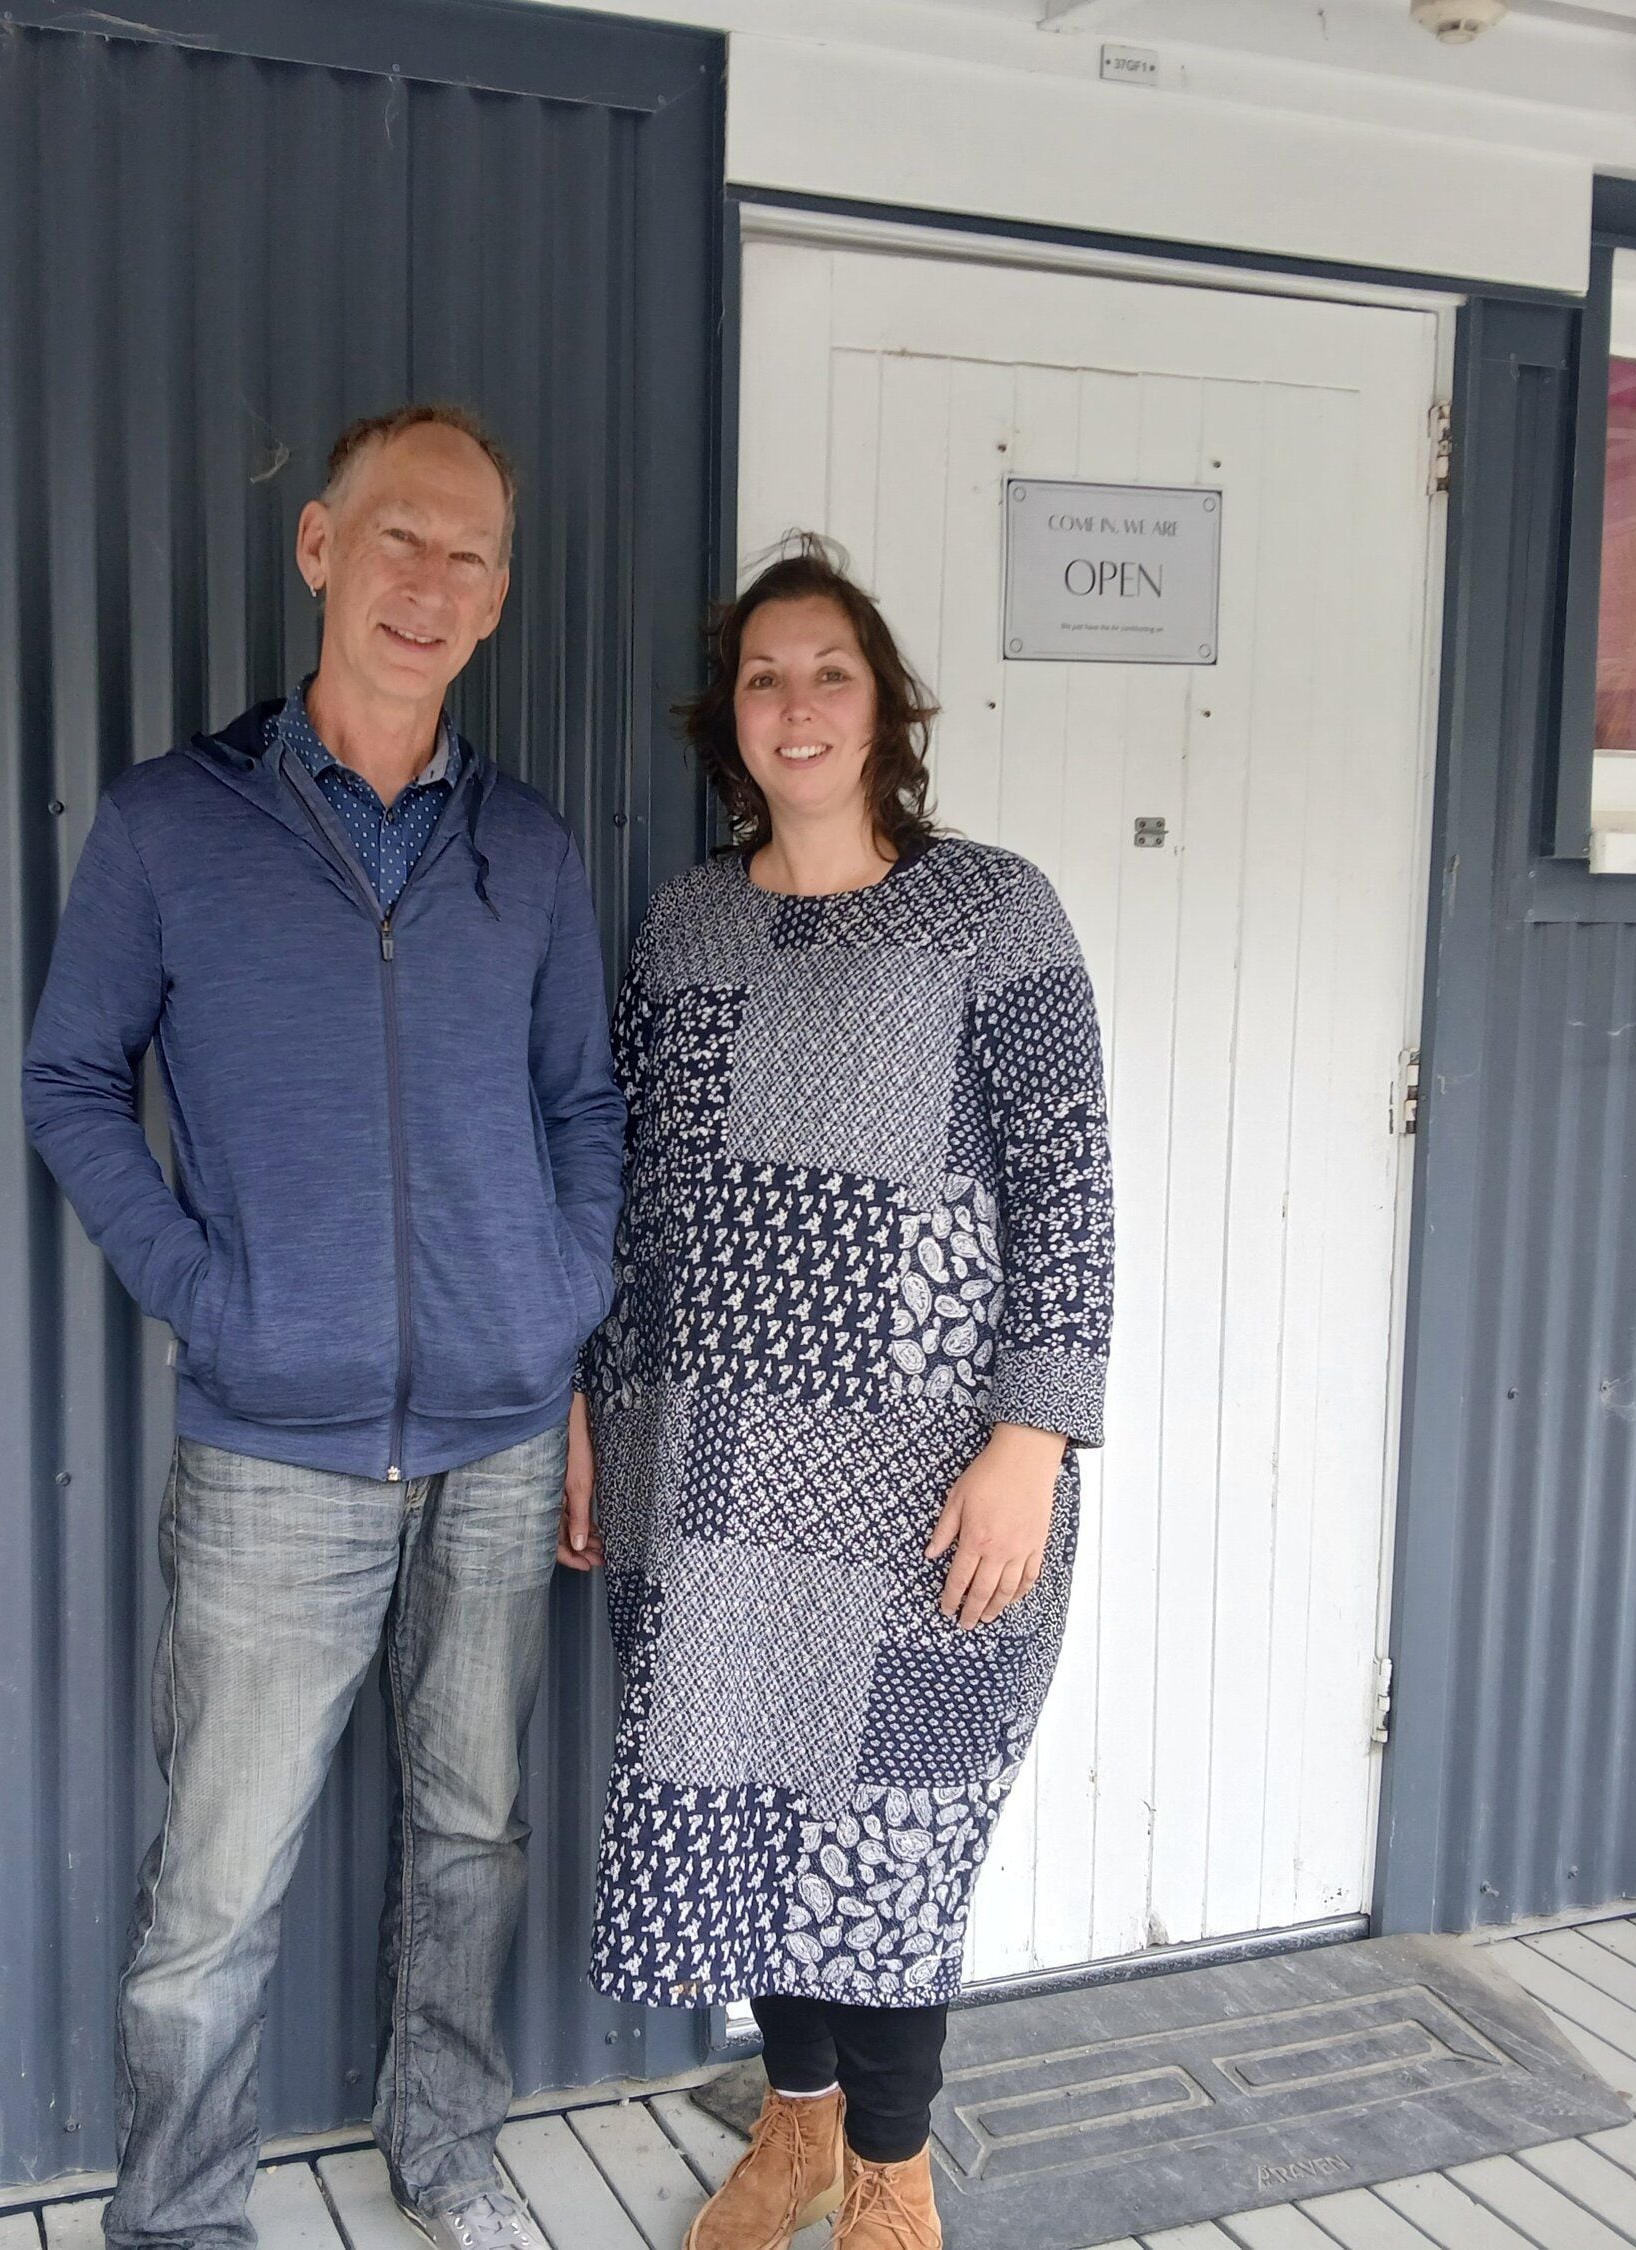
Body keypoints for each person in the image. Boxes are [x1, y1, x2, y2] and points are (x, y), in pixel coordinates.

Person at [25, 404, 624, 2250]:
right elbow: (69, 1083)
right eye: (397, 541)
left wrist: (558, 1294)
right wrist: (217, 1292)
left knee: (471, 1836)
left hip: (504, 1440)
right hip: (274, 1449)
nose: (427, 585)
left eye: (466, 559)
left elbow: (587, 1111)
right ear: (317, 549)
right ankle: (183, 2219)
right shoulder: (170, 824)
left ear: (502, 598)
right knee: (214, 1888)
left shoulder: (522, 848)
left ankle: (442, 2154)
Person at [564, 538, 1114, 2250]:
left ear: (886, 707)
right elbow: (630, 1182)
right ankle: (792, 2134)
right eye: (763, 677)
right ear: (729, 720)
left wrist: (1035, 1434)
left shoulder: (990, 907)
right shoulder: (687, 918)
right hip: (704, 1456)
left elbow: (1065, 1185)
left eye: (830, 673)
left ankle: (893, 2170)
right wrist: (593, 1405)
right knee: (741, 1796)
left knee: (891, 1817)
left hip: (925, 1468)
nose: (796, 705)